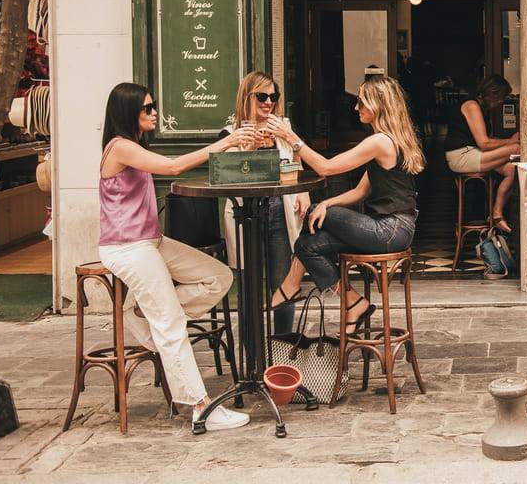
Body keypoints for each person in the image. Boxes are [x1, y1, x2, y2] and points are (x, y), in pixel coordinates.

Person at [97, 83, 257, 431]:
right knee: (170, 325)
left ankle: (143, 312)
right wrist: (225, 143)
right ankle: (201, 407)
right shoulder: (121, 148)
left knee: (219, 276)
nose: (154, 113)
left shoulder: (135, 145)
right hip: (127, 247)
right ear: (128, 114)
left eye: (154, 106)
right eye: (147, 109)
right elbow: (171, 167)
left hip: (151, 241)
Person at [266, 75, 423, 332]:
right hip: (392, 229)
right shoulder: (387, 140)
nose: (356, 107)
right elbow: (361, 191)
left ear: (378, 105)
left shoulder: (380, 141)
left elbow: (326, 168)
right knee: (307, 245)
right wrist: (326, 203)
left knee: (310, 216)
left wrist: (291, 137)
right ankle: (352, 302)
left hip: (389, 228)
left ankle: (290, 285)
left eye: (361, 102)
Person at [220, 72, 310, 335]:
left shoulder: (283, 128)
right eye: (262, 96)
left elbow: (297, 162)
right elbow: (226, 174)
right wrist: (247, 146)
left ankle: (281, 346)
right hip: (245, 214)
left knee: (282, 283)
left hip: (280, 210)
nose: (268, 102)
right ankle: (253, 355)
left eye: (273, 96)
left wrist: (303, 191)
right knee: (249, 285)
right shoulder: (230, 132)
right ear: (247, 97)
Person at [444, 75, 520, 232]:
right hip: (461, 155)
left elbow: (487, 141)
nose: (500, 102)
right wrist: (511, 142)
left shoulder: (482, 108)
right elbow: (484, 143)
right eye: (500, 98)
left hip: (472, 152)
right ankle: (498, 215)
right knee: (516, 150)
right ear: (492, 93)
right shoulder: (472, 105)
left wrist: (507, 141)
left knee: (512, 169)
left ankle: (496, 214)